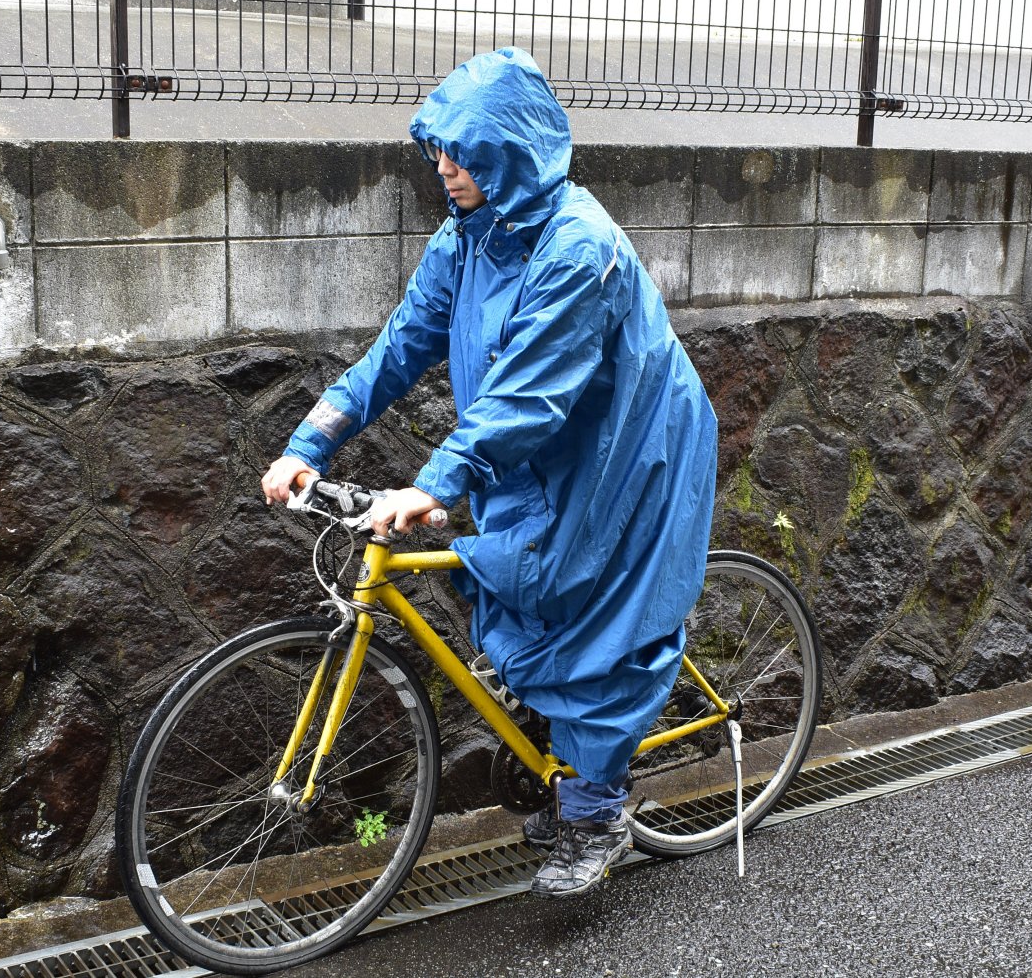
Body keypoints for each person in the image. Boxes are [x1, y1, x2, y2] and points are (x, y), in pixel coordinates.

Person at [261, 47, 718, 899]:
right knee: (522, 594)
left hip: (629, 450)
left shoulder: (579, 250)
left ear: (510, 151)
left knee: (596, 622)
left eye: (463, 153)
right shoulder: (467, 239)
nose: (443, 168)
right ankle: (566, 766)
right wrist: (308, 442)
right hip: (538, 458)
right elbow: (396, 351)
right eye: (438, 149)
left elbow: (525, 397)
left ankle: (598, 809)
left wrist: (436, 482)